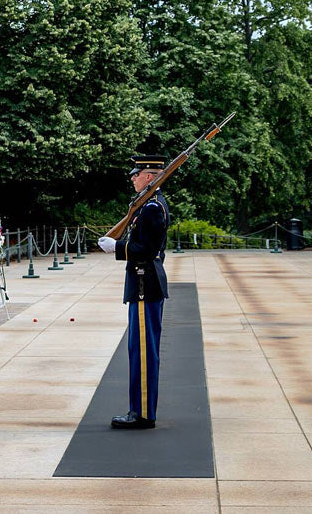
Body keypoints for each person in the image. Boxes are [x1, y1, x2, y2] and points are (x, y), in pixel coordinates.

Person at [97, 154, 171, 429]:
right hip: (144, 283)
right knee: (139, 349)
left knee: (143, 351)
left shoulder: (152, 207)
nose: (132, 178)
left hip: (145, 284)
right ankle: (140, 409)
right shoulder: (146, 205)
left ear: (149, 177)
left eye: (137, 174)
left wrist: (115, 248)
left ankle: (141, 414)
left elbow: (147, 250)